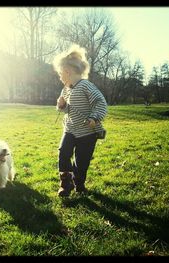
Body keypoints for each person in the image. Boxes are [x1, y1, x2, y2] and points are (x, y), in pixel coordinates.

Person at [52, 44, 108, 197]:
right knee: (63, 152)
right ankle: (65, 183)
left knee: (81, 161)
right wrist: (61, 105)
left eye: (60, 74)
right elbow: (65, 109)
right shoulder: (66, 89)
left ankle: (79, 183)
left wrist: (94, 117)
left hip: (87, 131)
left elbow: (100, 103)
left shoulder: (85, 86)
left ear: (67, 72)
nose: (60, 77)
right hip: (70, 129)